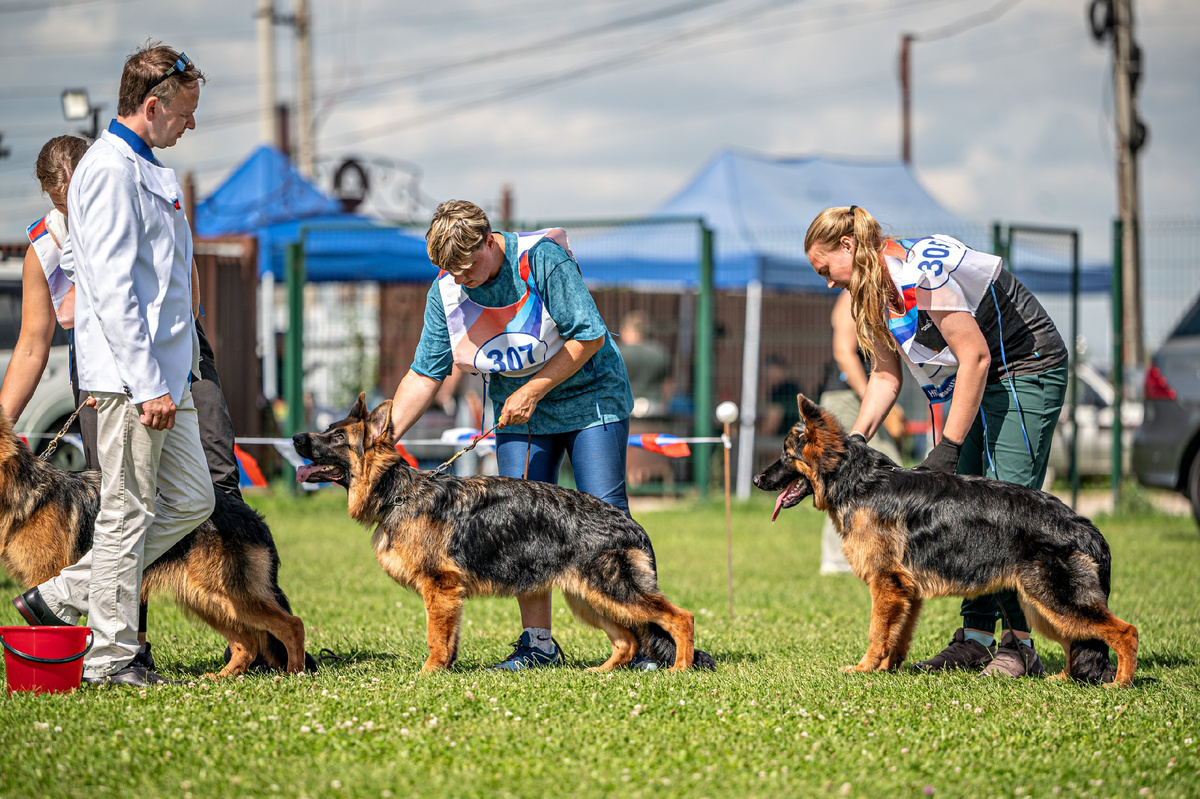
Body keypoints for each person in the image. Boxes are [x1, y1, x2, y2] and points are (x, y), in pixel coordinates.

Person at [10, 45, 215, 687]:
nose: (191, 125)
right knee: (128, 510)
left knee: (191, 500)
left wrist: (175, 378)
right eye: (185, 112)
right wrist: (149, 384)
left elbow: (170, 282)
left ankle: (62, 594)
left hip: (168, 377)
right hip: (135, 381)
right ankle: (109, 658)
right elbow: (114, 289)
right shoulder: (107, 171)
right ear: (152, 105)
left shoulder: (149, 167)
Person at [804, 205, 1069, 677]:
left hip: (1025, 367)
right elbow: (884, 376)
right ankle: (975, 638)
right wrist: (857, 440)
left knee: (1003, 507)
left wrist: (947, 448)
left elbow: (976, 357)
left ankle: (1019, 645)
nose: (827, 282)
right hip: (976, 377)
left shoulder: (922, 270)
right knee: (959, 510)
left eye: (826, 269)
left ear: (847, 246)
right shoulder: (871, 294)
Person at [389, 199, 649, 670]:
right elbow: (426, 373)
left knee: (607, 516)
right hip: (520, 414)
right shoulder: (446, 289)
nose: (460, 280)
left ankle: (645, 643)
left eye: (467, 268)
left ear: (489, 240)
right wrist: (382, 438)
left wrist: (533, 388)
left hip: (592, 398)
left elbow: (587, 335)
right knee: (522, 523)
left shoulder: (541, 259)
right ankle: (538, 645)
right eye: (451, 272)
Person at [815, 290, 905, 574]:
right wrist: (883, 408)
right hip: (847, 399)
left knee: (867, 476)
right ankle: (838, 558)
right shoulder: (850, 295)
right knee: (884, 472)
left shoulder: (878, 292)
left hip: (858, 395)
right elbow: (844, 352)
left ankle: (847, 556)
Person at [617, 310, 672, 419]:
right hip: (654, 410)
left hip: (625, 409)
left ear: (627, 330)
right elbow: (668, 384)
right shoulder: (660, 351)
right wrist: (665, 404)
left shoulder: (618, 352)